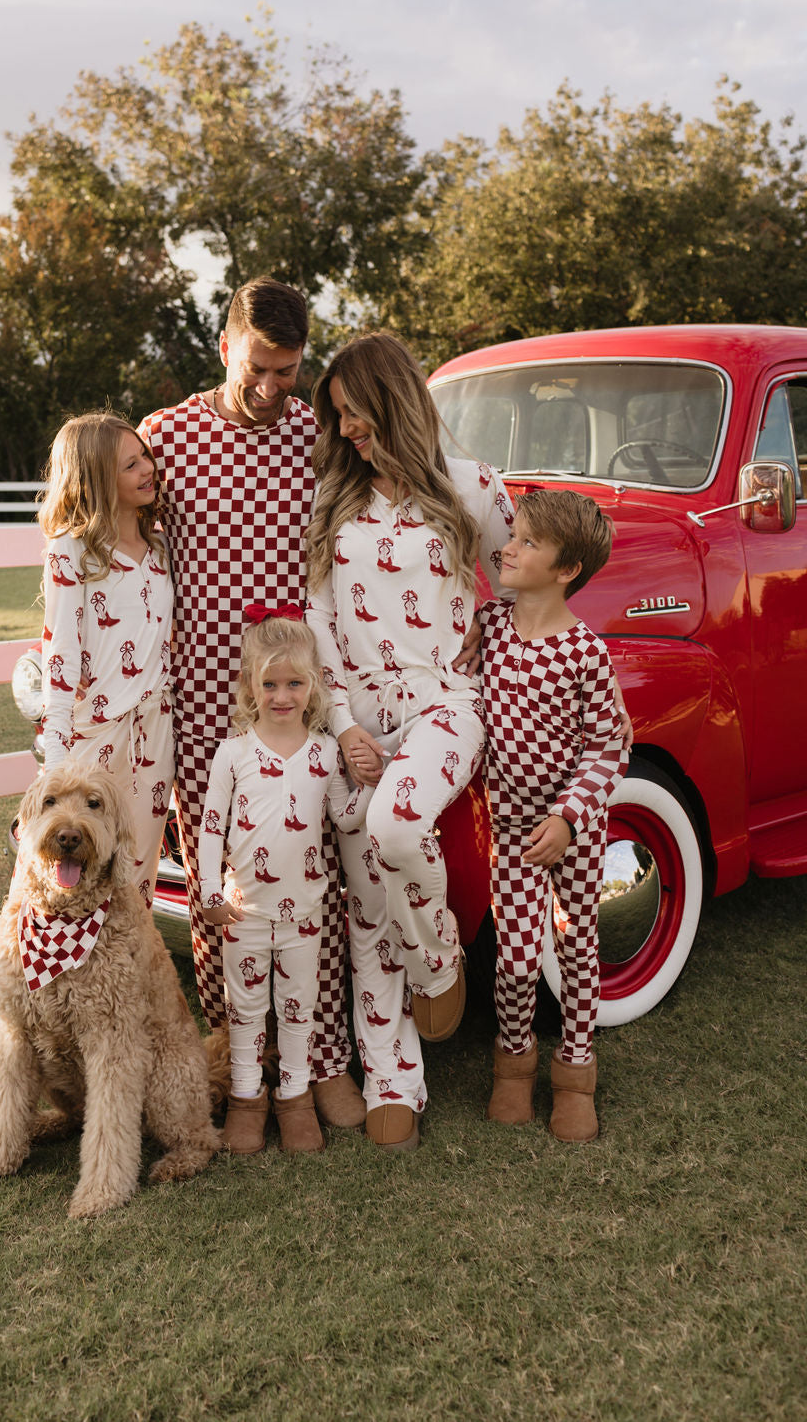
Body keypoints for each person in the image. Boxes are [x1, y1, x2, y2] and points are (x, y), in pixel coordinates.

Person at [0, 412, 175, 1173]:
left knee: (121, 923)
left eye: (146, 458)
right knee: (27, 936)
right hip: (88, 756)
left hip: (150, 759)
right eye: (129, 464)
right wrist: (54, 787)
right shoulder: (71, 555)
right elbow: (59, 674)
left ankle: (111, 1094)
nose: (147, 470)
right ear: (95, 477)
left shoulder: (157, 549)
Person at [137, 278, 366, 1130]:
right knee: (218, 886)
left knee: (319, 874)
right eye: (261, 366)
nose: (274, 386)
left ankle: (324, 1059)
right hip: (203, 696)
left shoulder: (314, 433)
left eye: (291, 369)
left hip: (296, 697)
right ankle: (239, 1062)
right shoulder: (166, 436)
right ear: (226, 345)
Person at [304, 330, 516, 1151]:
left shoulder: (472, 488)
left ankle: (439, 965)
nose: (349, 432)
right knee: (365, 898)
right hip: (359, 715)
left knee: (395, 828)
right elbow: (319, 619)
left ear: (393, 400)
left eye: (357, 416)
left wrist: (490, 624)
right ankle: (393, 1073)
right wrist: (344, 724)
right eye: (340, 421)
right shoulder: (334, 499)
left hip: (445, 708)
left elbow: (539, 568)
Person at [479, 489, 628, 1142]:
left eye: (528, 542)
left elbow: (610, 744)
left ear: (566, 569)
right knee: (513, 957)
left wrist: (568, 817)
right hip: (510, 827)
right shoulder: (489, 626)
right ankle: (514, 1065)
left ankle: (575, 1072)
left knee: (574, 945)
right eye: (513, 534)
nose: (509, 547)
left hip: (571, 829)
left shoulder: (584, 652)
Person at [198, 609, 373, 1156]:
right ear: (250, 685)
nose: (281, 695)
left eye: (294, 683)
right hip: (244, 915)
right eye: (269, 683)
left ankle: (294, 1097)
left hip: (305, 915)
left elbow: (343, 819)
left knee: (300, 1009)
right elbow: (209, 828)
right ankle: (248, 1100)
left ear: (313, 685)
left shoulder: (323, 754)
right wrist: (208, 894)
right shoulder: (233, 754)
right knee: (246, 1011)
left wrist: (371, 782)